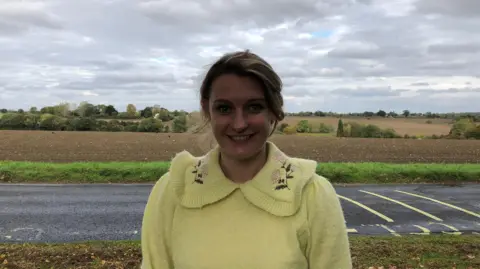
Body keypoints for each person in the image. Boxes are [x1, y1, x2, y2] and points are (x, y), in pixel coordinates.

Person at [141, 50, 352, 269]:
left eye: (254, 107)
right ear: (207, 110)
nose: (239, 123)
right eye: (224, 108)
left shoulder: (312, 194)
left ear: (274, 111)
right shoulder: (173, 190)